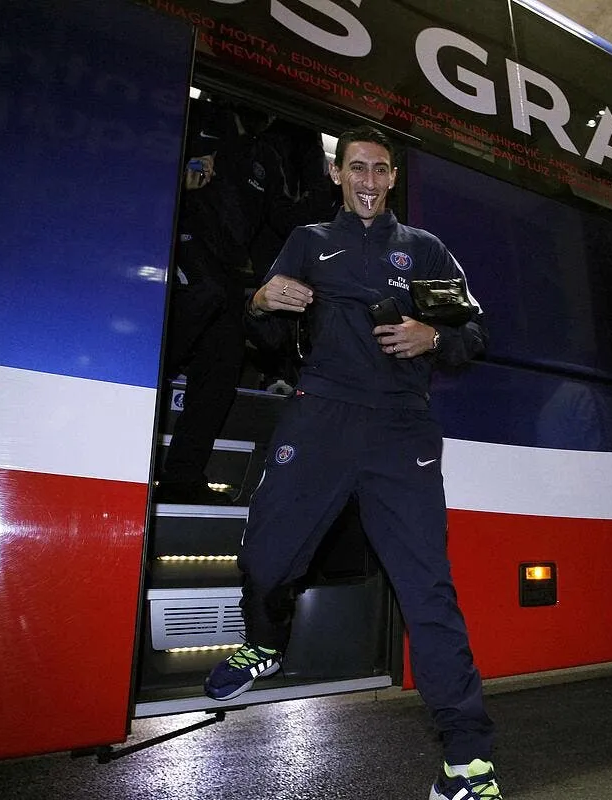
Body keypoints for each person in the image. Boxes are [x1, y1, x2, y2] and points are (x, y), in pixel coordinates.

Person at [202, 125, 501, 799]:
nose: (368, 180)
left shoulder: (424, 250)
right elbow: (265, 328)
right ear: (339, 174)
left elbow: (473, 332)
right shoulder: (309, 242)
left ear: (393, 178)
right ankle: (266, 643)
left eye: (380, 170)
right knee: (265, 561)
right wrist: (259, 301)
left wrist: (436, 336)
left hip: (402, 432)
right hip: (322, 415)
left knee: (428, 592)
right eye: (356, 168)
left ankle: (468, 760)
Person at [157, 98, 295, 505]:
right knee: (204, 295)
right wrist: (178, 178)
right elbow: (137, 163)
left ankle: (182, 477)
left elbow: (286, 217)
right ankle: (152, 371)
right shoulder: (193, 113)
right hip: (180, 243)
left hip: (228, 266)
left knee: (224, 362)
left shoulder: (266, 156)